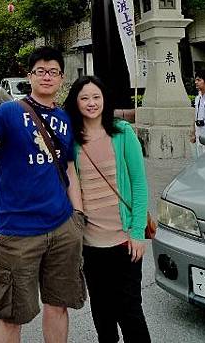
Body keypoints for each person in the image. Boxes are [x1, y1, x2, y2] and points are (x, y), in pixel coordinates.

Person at [0, 46, 86, 343]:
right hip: (18, 232)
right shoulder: (8, 113)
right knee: (11, 316)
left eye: (53, 71)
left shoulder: (65, 118)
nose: (47, 77)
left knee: (58, 306)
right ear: (29, 76)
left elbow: (69, 169)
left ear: (61, 78)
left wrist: (78, 217)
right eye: (40, 71)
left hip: (62, 227)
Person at [64, 75, 151, 343]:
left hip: (125, 241)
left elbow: (139, 184)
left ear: (105, 100)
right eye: (84, 98)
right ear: (76, 103)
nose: (91, 103)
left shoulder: (122, 132)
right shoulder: (72, 140)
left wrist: (137, 232)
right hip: (91, 245)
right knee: (102, 314)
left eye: (96, 97)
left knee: (130, 313)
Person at [191, 68, 205, 157]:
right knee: (199, 164)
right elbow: (195, 117)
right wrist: (193, 133)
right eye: (196, 80)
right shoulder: (198, 98)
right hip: (198, 137)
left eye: (199, 80)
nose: (196, 82)